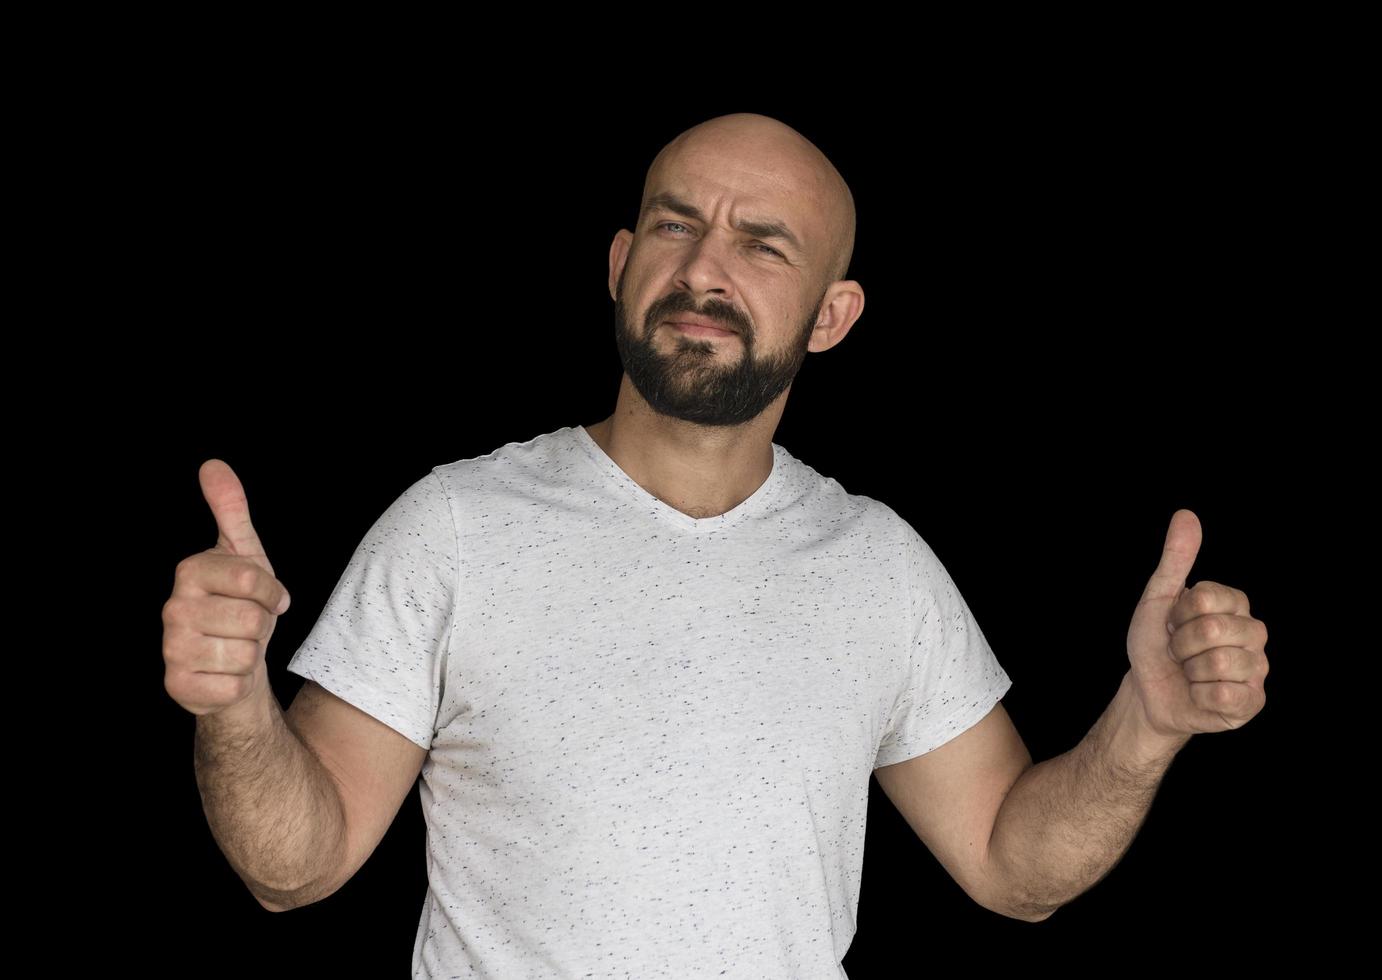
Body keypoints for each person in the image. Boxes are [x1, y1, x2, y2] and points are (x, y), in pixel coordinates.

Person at [162, 112, 1271, 977]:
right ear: (616, 260)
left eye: (761, 243)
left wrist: (1147, 722)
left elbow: (1007, 867)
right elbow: (291, 872)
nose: (702, 270)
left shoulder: (876, 563)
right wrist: (236, 704)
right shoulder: (453, 527)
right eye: (673, 222)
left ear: (831, 316)